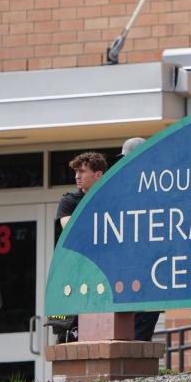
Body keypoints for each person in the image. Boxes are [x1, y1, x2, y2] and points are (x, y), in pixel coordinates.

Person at [49, 151, 109, 343]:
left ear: (98, 174)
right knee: (67, 331)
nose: (77, 176)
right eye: (76, 172)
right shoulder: (69, 201)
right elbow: (70, 228)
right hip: (73, 275)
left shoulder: (111, 199)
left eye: (82, 171)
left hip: (102, 273)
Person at [118, 137, 162, 342]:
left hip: (149, 273)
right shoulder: (122, 188)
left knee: (139, 337)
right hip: (125, 275)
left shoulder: (158, 185)